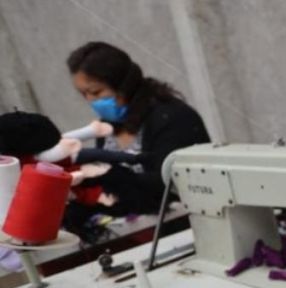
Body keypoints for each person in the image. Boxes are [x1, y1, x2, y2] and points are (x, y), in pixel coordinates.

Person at [64, 41, 209, 220]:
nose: (90, 101)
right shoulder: (107, 127)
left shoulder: (172, 118)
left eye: (95, 92)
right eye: (83, 94)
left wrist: (113, 177)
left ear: (123, 86)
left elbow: (171, 182)